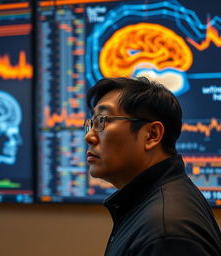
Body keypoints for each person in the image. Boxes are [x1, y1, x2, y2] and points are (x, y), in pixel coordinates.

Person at [84, 77, 221, 256]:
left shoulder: (166, 233)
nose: (89, 137)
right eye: (91, 123)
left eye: (103, 120)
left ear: (152, 135)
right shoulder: (152, 204)